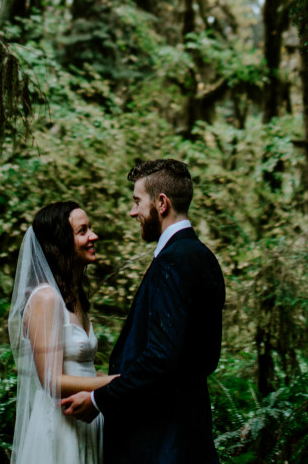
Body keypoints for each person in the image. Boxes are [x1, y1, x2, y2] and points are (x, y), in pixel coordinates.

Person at [60, 159, 225, 464]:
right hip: (191, 433)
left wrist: (98, 399)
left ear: (162, 203)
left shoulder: (171, 262)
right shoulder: (205, 258)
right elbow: (205, 356)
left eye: (137, 201)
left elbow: (161, 359)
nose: (132, 211)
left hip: (159, 442)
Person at [9, 202, 117, 464]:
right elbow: (52, 381)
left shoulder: (75, 295)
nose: (93, 236)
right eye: (83, 231)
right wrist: (114, 382)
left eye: (90, 228)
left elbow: (82, 370)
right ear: (61, 242)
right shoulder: (46, 299)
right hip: (60, 428)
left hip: (86, 420)